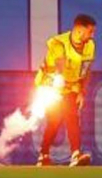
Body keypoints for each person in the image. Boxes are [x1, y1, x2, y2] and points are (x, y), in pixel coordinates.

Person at [35, 14, 96, 167]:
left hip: (70, 85)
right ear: (80, 30)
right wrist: (61, 82)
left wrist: (82, 92)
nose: (92, 35)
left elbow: (86, 70)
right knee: (55, 120)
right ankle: (44, 155)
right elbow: (60, 65)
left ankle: (75, 154)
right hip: (49, 83)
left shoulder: (90, 45)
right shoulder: (58, 42)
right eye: (90, 31)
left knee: (71, 115)